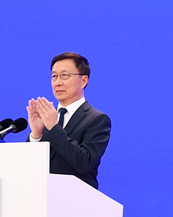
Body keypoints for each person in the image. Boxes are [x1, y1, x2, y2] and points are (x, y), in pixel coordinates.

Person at [26, 52, 111, 189]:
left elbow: (84, 163)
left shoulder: (97, 119)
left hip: (77, 197)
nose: (58, 82)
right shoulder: (47, 117)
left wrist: (54, 128)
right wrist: (36, 135)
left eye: (65, 75)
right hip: (42, 196)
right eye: (54, 76)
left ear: (84, 81)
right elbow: (28, 167)